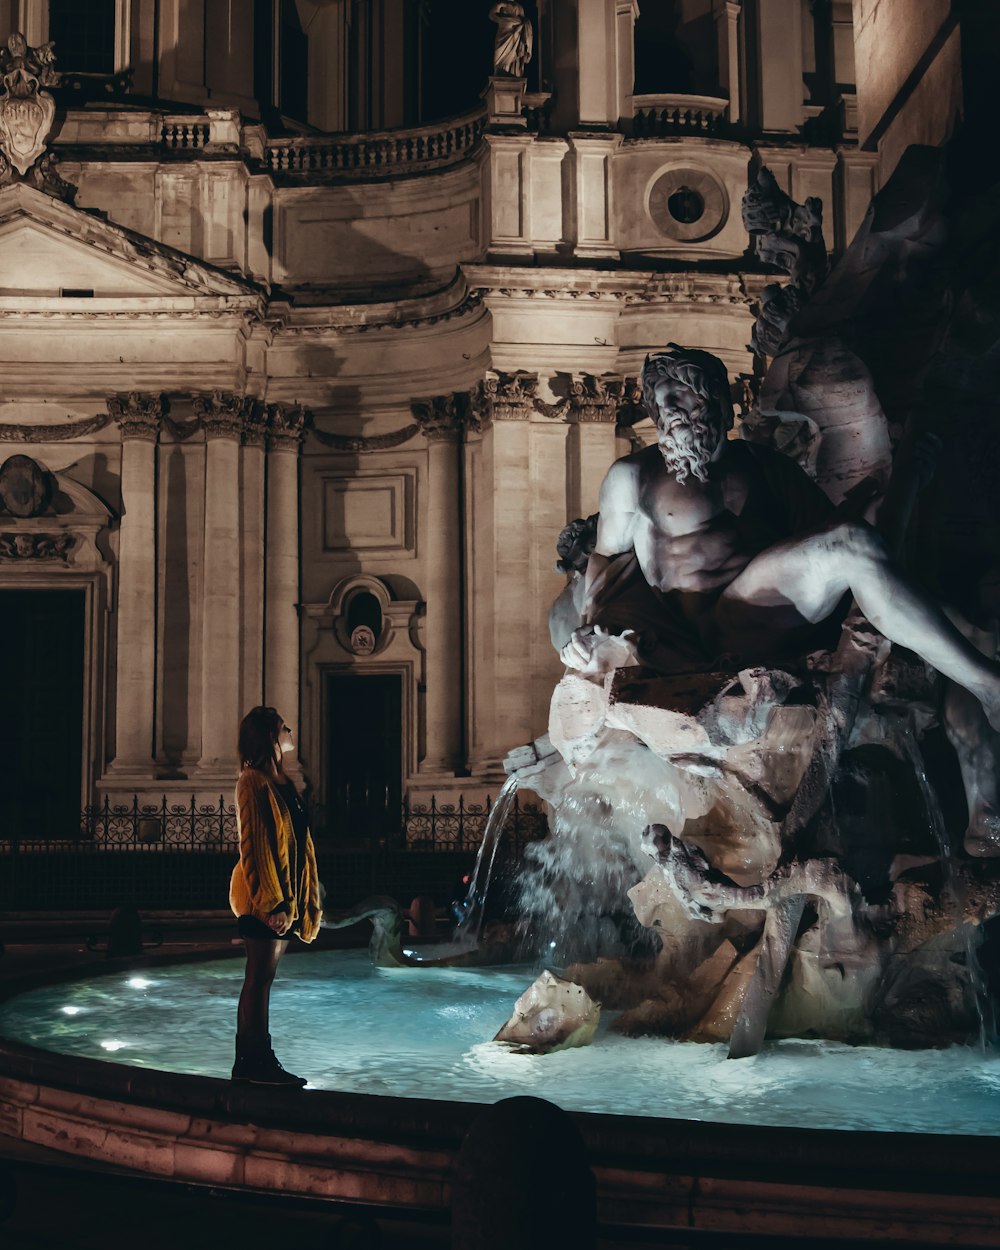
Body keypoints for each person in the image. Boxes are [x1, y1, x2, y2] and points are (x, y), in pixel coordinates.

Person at [562, 345, 1000, 732]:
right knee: (849, 543)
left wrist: (904, 486)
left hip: (769, 615)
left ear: (714, 399)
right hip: (706, 630)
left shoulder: (763, 465)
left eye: (680, 396)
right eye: (661, 403)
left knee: (852, 544)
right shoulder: (635, 476)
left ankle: (985, 684)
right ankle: (987, 684)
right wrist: (593, 632)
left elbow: (828, 534)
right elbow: (608, 565)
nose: (668, 410)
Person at [229, 706, 321, 1086]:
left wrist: (303, 898)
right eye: (283, 727)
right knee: (258, 978)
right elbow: (255, 846)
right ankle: (255, 1061)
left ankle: (253, 1061)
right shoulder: (251, 781)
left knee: (262, 979)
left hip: (283, 899)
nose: (289, 731)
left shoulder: (277, 782)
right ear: (270, 736)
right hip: (262, 901)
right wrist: (273, 904)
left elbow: (297, 843)